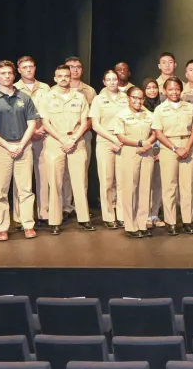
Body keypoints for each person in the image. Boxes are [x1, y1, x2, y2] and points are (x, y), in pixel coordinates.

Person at [0, 60, 39, 241]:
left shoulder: (24, 98)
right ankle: (2, 228)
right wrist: (7, 145)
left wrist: (21, 145)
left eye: (10, 73)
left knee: (26, 189)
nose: (7, 76)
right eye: (3, 73)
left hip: (23, 147)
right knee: (1, 191)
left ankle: (28, 225)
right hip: (0, 149)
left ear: (14, 75)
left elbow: (32, 124)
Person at [39, 64, 95, 235]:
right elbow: (45, 123)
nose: (64, 78)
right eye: (60, 76)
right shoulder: (47, 97)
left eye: (66, 76)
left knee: (80, 181)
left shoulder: (80, 98)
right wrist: (63, 139)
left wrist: (73, 139)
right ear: (55, 79)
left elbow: (85, 122)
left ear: (71, 78)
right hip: (55, 141)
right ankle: (55, 221)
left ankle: (84, 219)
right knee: (55, 183)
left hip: (76, 141)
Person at [151, 77, 193, 235]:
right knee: (169, 187)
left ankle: (187, 221)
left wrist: (186, 147)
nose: (174, 92)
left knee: (187, 188)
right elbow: (158, 132)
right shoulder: (160, 109)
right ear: (165, 91)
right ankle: (171, 221)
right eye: (170, 89)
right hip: (168, 149)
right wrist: (174, 148)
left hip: (187, 147)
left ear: (181, 90)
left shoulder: (190, 107)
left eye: (177, 89)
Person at [112, 85, 158, 239]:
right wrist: (139, 143)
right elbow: (121, 136)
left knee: (145, 189)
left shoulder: (149, 114)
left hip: (147, 151)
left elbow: (155, 133)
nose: (138, 101)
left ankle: (142, 223)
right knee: (130, 188)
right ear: (128, 99)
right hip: (131, 151)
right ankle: (130, 226)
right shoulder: (121, 115)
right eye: (135, 98)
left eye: (140, 98)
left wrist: (147, 144)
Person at [89, 69, 129, 229]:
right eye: (109, 79)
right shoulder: (98, 99)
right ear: (104, 82)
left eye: (115, 79)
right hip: (106, 140)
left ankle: (121, 214)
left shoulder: (126, 98)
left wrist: (121, 140)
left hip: (124, 141)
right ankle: (108, 215)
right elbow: (95, 125)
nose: (112, 82)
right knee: (107, 180)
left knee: (122, 180)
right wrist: (113, 139)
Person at [15, 55, 51, 227]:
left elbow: (51, 111)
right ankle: (21, 217)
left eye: (31, 66)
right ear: (19, 70)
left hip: (43, 136)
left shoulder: (45, 88)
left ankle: (44, 213)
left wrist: (41, 129)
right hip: (22, 138)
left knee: (44, 177)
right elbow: (12, 116)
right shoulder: (14, 88)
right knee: (22, 180)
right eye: (25, 67)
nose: (28, 69)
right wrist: (30, 132)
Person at [140, 78, 163, 229]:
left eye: (154, 87)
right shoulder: (140, 108)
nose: (152, 90)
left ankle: (155, 214)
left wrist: (163, 150)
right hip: (145, 149)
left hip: (162, 149)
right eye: (148, 88)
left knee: (158, 184)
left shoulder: (163, 107)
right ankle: (145, 216)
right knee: (144, 183)